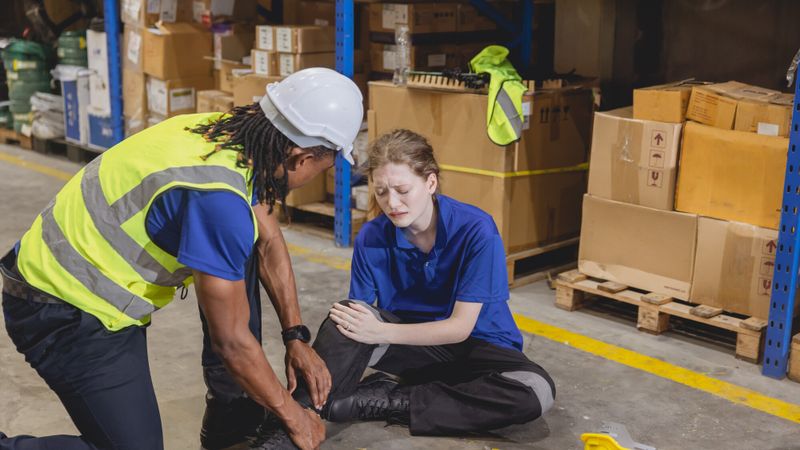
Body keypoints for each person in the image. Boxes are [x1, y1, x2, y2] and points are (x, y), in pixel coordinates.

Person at [0, 67, 363, 450]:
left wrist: (295, 336)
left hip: (67, 277)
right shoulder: (218, 201)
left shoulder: (224, 133)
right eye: (326, 165)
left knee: (242, 241)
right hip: (62, 306)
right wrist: (293, 415)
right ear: (300, 157)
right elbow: (232, 342)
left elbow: (268, 239)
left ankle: (229, 419)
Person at [287, 129, 556, 439]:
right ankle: (296, 416)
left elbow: (460, 328)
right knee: (346, 318)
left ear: (430, 182)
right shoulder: (372, 237)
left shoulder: (475, 230)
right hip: (413, 350)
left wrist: (381, 332)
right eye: (381, 192)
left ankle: (392, 400)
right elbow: (358, 319)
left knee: (535, 392)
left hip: (479, 350)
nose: (392, 203)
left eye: (403, 190)